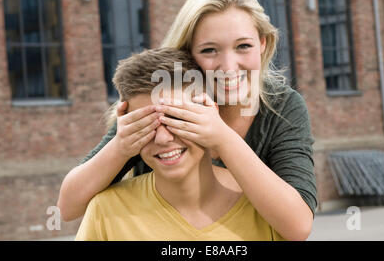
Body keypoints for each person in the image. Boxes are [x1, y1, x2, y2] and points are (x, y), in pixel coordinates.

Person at [58, 0, 317, 241]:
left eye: (243, 46)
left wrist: (221, 137)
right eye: (209, 50)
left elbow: (298, 227)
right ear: (188, 55)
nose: (228, 66)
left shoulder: (282, 106)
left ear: (262, 44)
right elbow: (68, 207)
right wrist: (121, 145)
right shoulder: (163, 95)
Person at [75, 47, 284, 240]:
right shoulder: (106, 211)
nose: (163, 138)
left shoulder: (266, 206)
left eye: (176, 118)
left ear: (210, 111)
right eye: (146, 125)